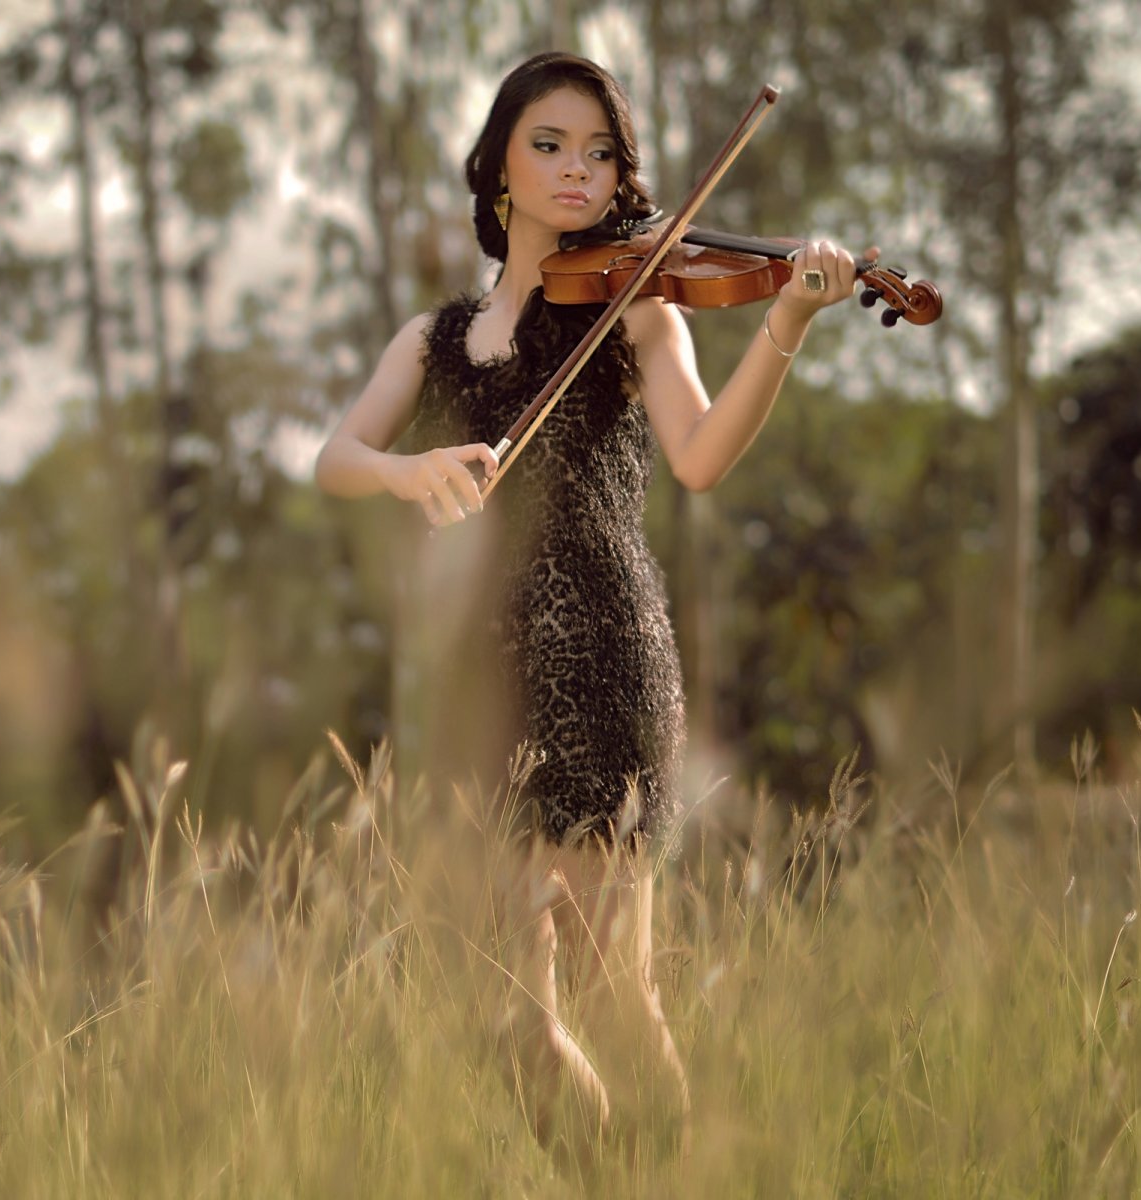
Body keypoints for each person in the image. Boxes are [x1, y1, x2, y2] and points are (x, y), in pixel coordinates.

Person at [313, 52, 869, 1149]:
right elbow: (336, 456)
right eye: (550, 145)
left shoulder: (637, 311)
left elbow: (703, 456)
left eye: (601, 152)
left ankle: (668, 1175)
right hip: (477, 681)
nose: (578, 170)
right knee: (499, 1010)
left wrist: (788, 324)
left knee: (617, 991)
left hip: (604, 657)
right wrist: (401, 473)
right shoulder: (431, 341)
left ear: (622, 178)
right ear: (498, 173)